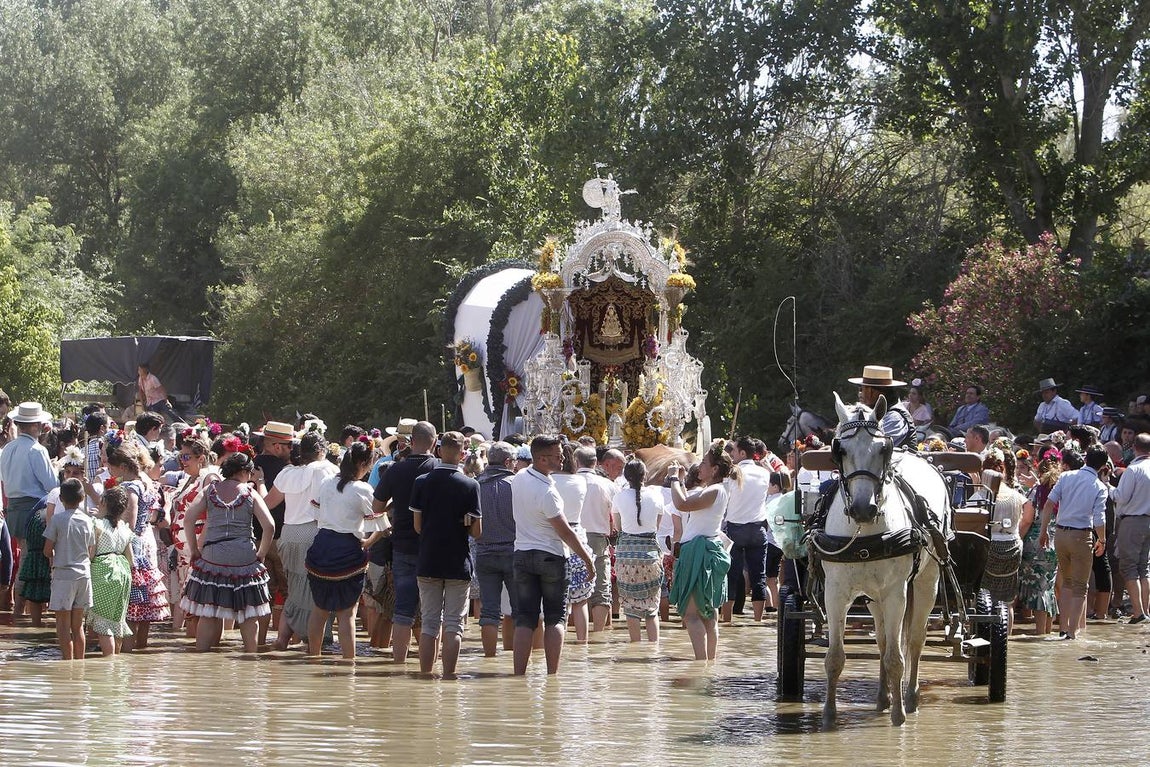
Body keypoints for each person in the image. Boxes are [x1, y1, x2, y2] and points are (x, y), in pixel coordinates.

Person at [510, 435, 594, 675]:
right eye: (558, 455)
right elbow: (565, 532)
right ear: (542, 459)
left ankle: (518, 674)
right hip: (551, 557)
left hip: (522, 553)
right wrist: (588, 560)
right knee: (555, 618)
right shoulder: (548, 492)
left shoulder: (519, 477)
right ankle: (552, 675)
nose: (563, 458)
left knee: (524, 618)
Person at [179, 451, 275, 652]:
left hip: (213, 555)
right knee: (248, 614)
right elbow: (269, 526)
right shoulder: (250, 493)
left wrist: (195, 549)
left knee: (208, 612)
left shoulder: (210, 490)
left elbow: (188, 519)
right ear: (244, 471)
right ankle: (252, 657)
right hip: (244, 557)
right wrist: (261, 554)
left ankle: (201, 657)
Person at [305, 441, 384, 659]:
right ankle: (349, 666)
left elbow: (316, 516)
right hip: (348, 552)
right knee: (347, 614)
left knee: (319, 609)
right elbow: (380, 525)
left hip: (321, 548)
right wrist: (368, 542)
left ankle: (314, 659)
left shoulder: (327, 483)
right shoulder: (363, 489)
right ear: (362, 463)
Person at [411, 431, 481, 675]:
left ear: (439, 451)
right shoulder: (471, 485)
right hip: (457, 561)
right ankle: (450, 677)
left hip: (428, 559)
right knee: (453, 624)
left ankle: (425, 676)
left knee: (429, 623)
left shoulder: (421, 482)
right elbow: (477, 532)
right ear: (462, 454)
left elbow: (417, 527)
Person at [373, 420, 439, 663]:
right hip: (434, 547)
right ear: (434, 441)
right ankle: (431, 666)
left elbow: (376, 507)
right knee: (433, 612)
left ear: (411, 442)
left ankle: (398, 665)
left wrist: (396, 503)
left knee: (402, 610)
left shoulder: (395, 470)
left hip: (402, 545)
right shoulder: (440, 469)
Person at [264, 432, 337, 650]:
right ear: (321, 450)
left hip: (288, 535)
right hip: (314, 533)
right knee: (317, 590)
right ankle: (314, 642)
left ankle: (282, 640)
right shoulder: (328, 470)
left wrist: (257, 483)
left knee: (294, 590)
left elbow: (268, 503)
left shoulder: (287, 472)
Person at [668, 444, 736, 660]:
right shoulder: (716, 490)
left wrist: (673, 478)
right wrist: (680, 481)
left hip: (700, 552)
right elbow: (687, 501)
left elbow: (682, 504)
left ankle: (701, 664)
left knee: (692, 615)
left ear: (715, 469)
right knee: (708, 613)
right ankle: (708, 665)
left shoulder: (715, 490)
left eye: (704, 463)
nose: (699, 467)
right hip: (706, 549)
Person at [1038, 444, 1109, 640]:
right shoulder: (1100, 487)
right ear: (1103, 466)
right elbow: (1099, 518)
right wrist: (1102, 540)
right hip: (1081, 536)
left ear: (1085, 459)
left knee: (1067, 583)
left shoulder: (1066, 476)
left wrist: (1043, 531)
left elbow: (1049, 504)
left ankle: (1063, 628)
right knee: (1080, 586)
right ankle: (1072, 632)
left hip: (1061, 534)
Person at [107, 443, 170, 649]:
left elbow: (130, 523)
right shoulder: (145, 482)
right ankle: (140, 648)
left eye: (112, 466)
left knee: (132, 600)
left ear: (123, 467)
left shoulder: (131, 487)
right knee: (144, 599)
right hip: (146, 541)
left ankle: (127, 651)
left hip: (134, 545)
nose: (110, 470)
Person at [0, 402, 58, 617]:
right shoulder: (37, 450)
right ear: (35, 425)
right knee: (27, 559)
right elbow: (52, 485)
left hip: (13, 508)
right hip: (33, 509)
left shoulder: (7, 448)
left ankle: (21, 610)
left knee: (24, 557)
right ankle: (20, 611)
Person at [611, 459, 664, 642]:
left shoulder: (619, 497)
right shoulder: (656, 496)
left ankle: (635, 647)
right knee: (651, 608)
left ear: (626, 476)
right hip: (650, 555)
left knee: (630, 608)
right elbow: (656, 527)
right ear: (645, 475)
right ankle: (653, 650)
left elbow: (618, 527)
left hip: (626, 556)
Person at [43, 478, 96, 660]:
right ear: (82, 498)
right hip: (84, 575)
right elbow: (91, 551)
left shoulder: (57, 520)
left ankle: (68, 663)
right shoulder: (88, 521)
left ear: (61, 498)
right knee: (78, 625)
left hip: (64, 575)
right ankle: (79, 664)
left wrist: (55, 553)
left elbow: (47, 550)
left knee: (63, 625)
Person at [722, 435, 773, 622]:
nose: (732, 454)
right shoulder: (764, 473)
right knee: (759, 575)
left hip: (736, 528)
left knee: (731, 574)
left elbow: (725, 498)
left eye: (734, 451)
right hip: (758, 528)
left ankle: (727, 619)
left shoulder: (733, 473)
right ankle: (758, 620)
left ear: (742, 453)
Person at [474, 441, 517, 656]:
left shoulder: (475, 485)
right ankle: (520, 661)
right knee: (519, 609)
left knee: (489, 611)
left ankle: (489, 658)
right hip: (513, 551)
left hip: (484, 552)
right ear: (507, 462)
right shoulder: (516, 484)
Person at [981, 448, 1029, 635]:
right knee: (1007, 601)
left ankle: (985, 637)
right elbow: (1028, 514)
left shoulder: (981, 496)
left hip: (990, 547)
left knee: (984, 598)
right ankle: (1006, 642)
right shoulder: (1016, 495)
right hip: (1012, 546)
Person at [574, 446, 618, 632]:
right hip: (598, 538)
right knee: (601, 587)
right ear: (596, 463)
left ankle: (574, 633)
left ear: (576, 461)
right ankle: (599, 635)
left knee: (572, 587)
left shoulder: (569, 481)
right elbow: (616, 514)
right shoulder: (608, 485)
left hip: (571, 536)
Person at [88, 486, 135, 656]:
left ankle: (109, 663)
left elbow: (91, 555)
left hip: (104, 572)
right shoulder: (125, 528)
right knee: (117, 622)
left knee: (103, 625)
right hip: (123, 573)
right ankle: (116, 662)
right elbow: (131, 560)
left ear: (103, 503)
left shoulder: (97, 524)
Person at [552, 443, 591, 641]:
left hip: (554, 534)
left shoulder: (548, 480)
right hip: (577, 535)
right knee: (580, 600)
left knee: (558, 600)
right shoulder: (580, 481)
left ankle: (559, 644)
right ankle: (583, 643)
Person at [1113, 432, 1150, 624]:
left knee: (1129, 567)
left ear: (1134, 447)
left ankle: (1138, 612)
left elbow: (1121, 497)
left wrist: (1107, 486)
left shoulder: (1133, 470)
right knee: (1144, 567)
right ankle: (1145, 611)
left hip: (1133, 521)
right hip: (1148, 521)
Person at [848, 366, 915, 448]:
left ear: (874, 392)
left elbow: (873, 445)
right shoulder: (874, 414)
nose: (860, 394)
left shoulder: (895, 417)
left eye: (862, 389)